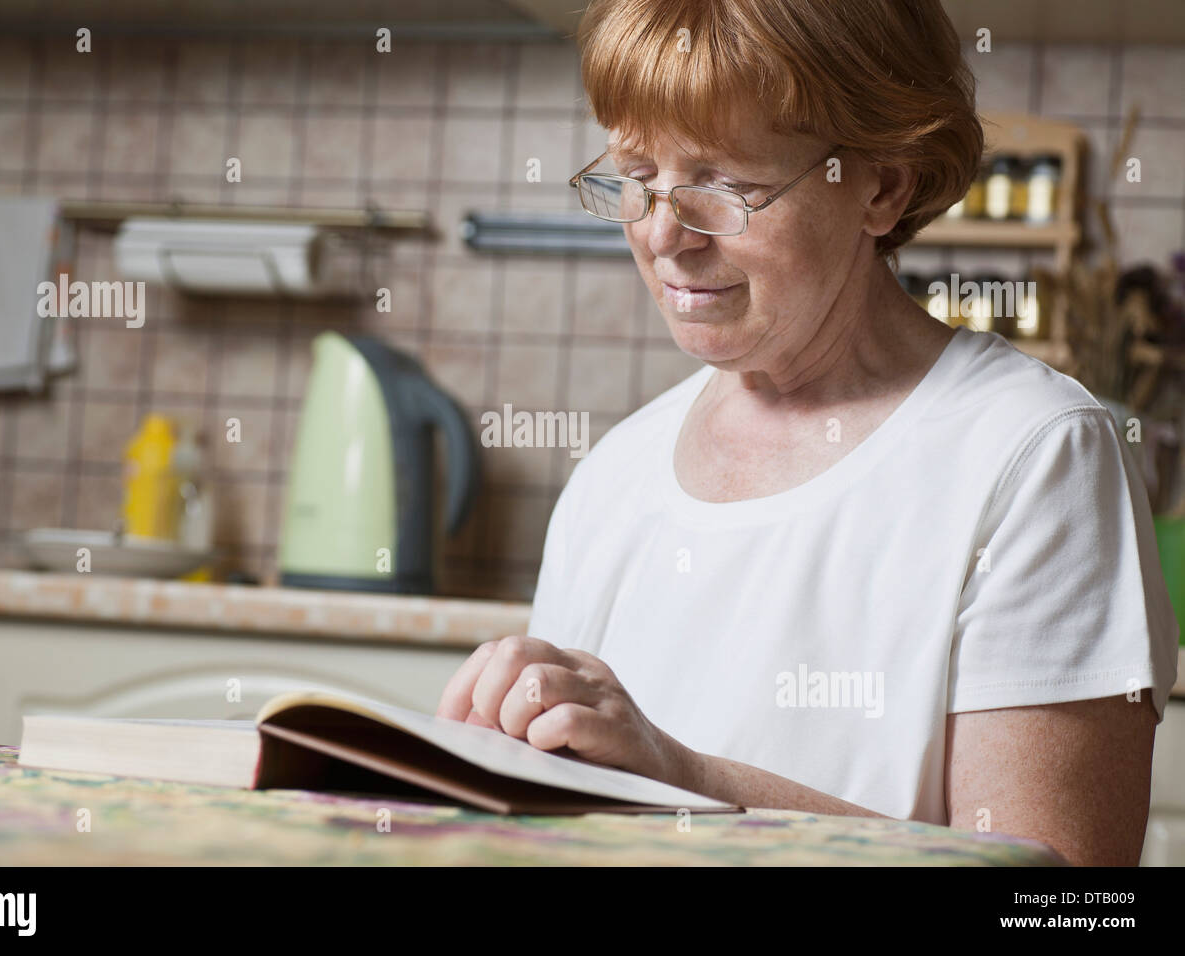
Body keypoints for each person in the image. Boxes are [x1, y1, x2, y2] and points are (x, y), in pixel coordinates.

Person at [436, 0, 1178, 866]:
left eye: (721, 189)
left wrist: (681, 778)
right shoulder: (616, 474)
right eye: (635, 177)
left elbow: (1063, 907)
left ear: (880, 186)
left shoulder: (1033, 455)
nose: (665, 237)